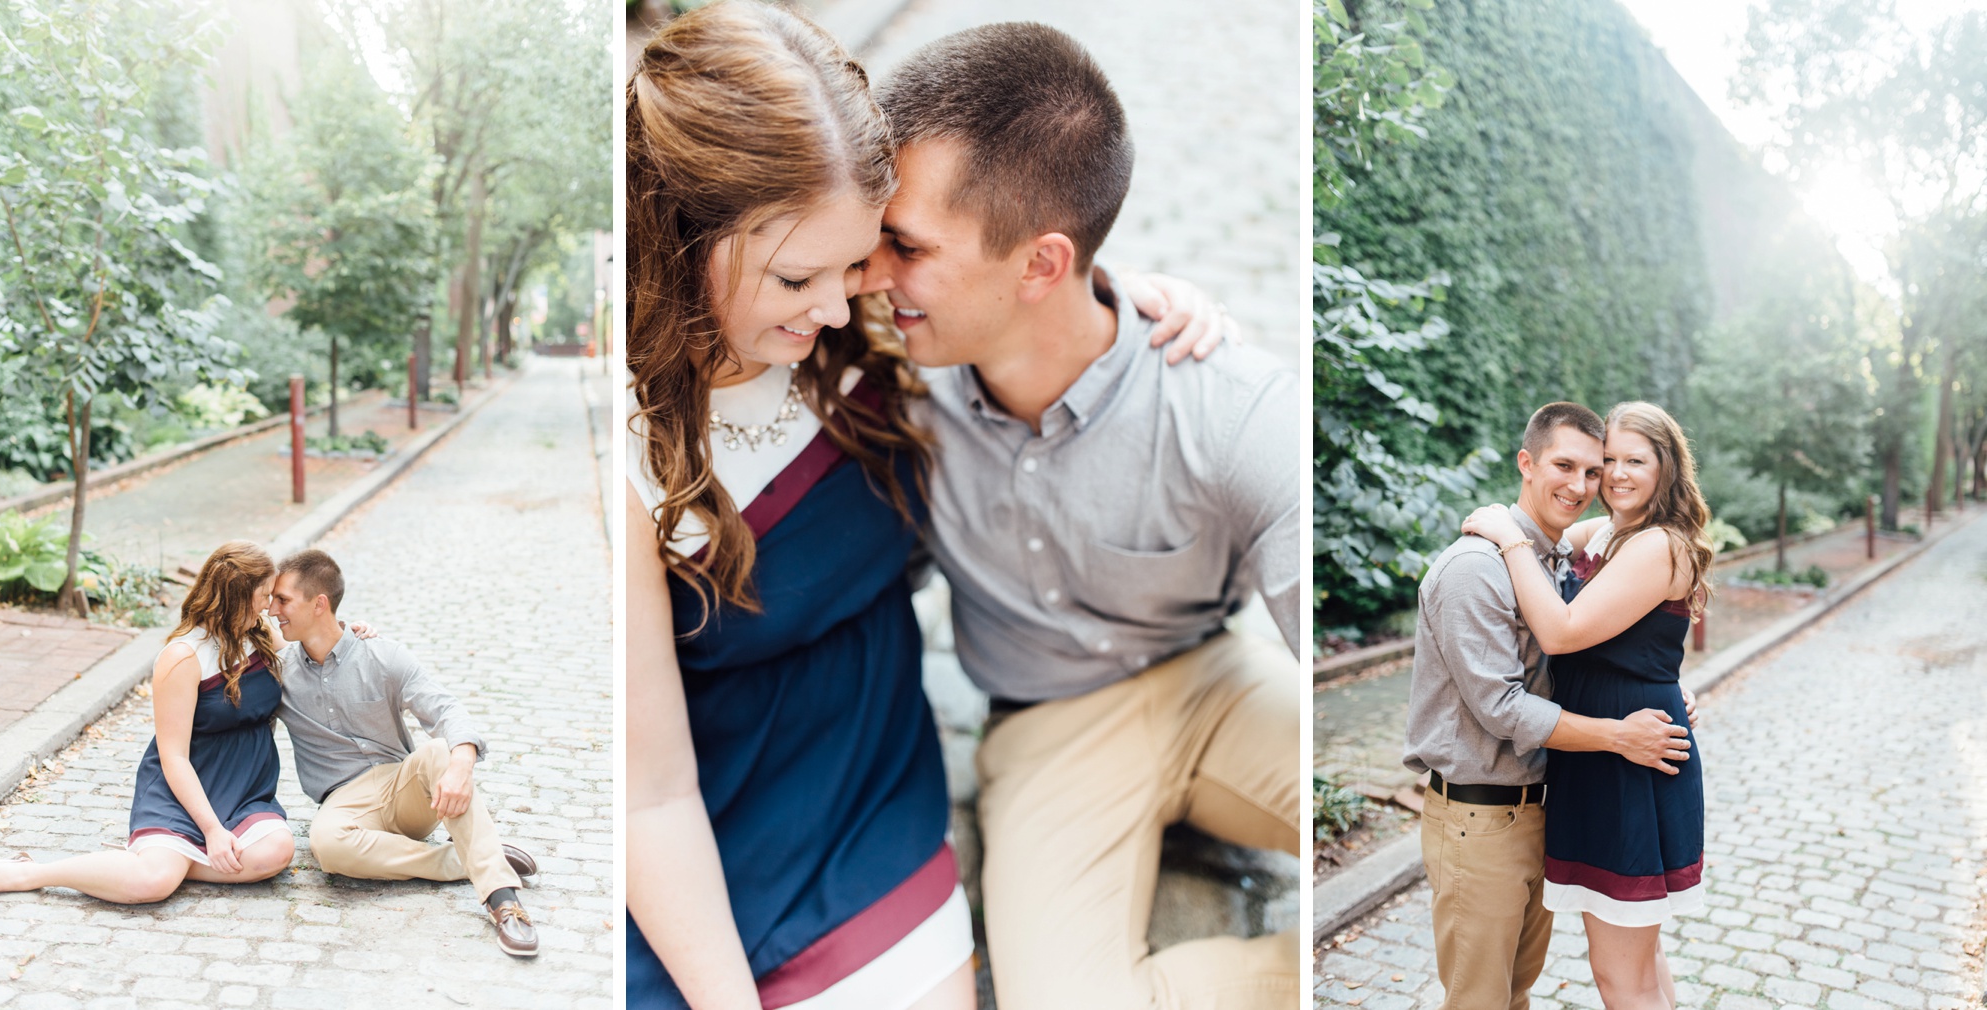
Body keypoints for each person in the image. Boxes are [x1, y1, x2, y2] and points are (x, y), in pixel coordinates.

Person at [623, 6, 1222, 1007]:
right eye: (796, 276)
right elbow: (650, 791)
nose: (836, 305)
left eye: (861, 256)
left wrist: (1132, 303)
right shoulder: (627, 452)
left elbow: (1020, 294)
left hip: (870, 809)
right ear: (680, 240)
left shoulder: (866, 329)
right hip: (698, 823)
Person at [860, 23, 1301, 1010]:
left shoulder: (1228, 405)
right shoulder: (885, 378)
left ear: (1041, 263)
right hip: (1043, 731)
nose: (868, 274)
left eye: (906, 245)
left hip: (1218, 682)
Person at [1403, 401, 1694, 1010]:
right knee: (1488, 996)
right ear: (1526, 463)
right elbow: (1505, 707)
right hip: (1483, 814)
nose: (1594, 481)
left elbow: (1580, 642)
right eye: (1582, 464)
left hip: (1557, 799)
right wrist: (1620, 728)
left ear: (1666, 468)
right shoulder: (1482, 567)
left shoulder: (1571, 553)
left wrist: (1660, 686)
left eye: (1613, 465)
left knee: (1530, 987)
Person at [0, 541, 299, 903]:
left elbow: (313, 651)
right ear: (235, 597)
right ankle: (31, 872)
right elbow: (174, 757)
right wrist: (213, 830)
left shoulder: (259, 635)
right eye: (264, 595)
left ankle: (173, 859)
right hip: (184, 790)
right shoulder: (183, 657)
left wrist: (353, 635)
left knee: (276, 852)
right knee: (151, 885)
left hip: (245, 789)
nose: (269, 605)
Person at [266, 549, 542, 958]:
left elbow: (446, 709)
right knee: (325, 845)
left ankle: (504, 901)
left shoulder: (382, 654)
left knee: (437, 751)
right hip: (344, 803)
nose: (273, 610)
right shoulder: (277, 673)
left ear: (319, 603)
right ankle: (464, 858)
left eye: (283, 600)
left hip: (404, 788)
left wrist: (461, 764)